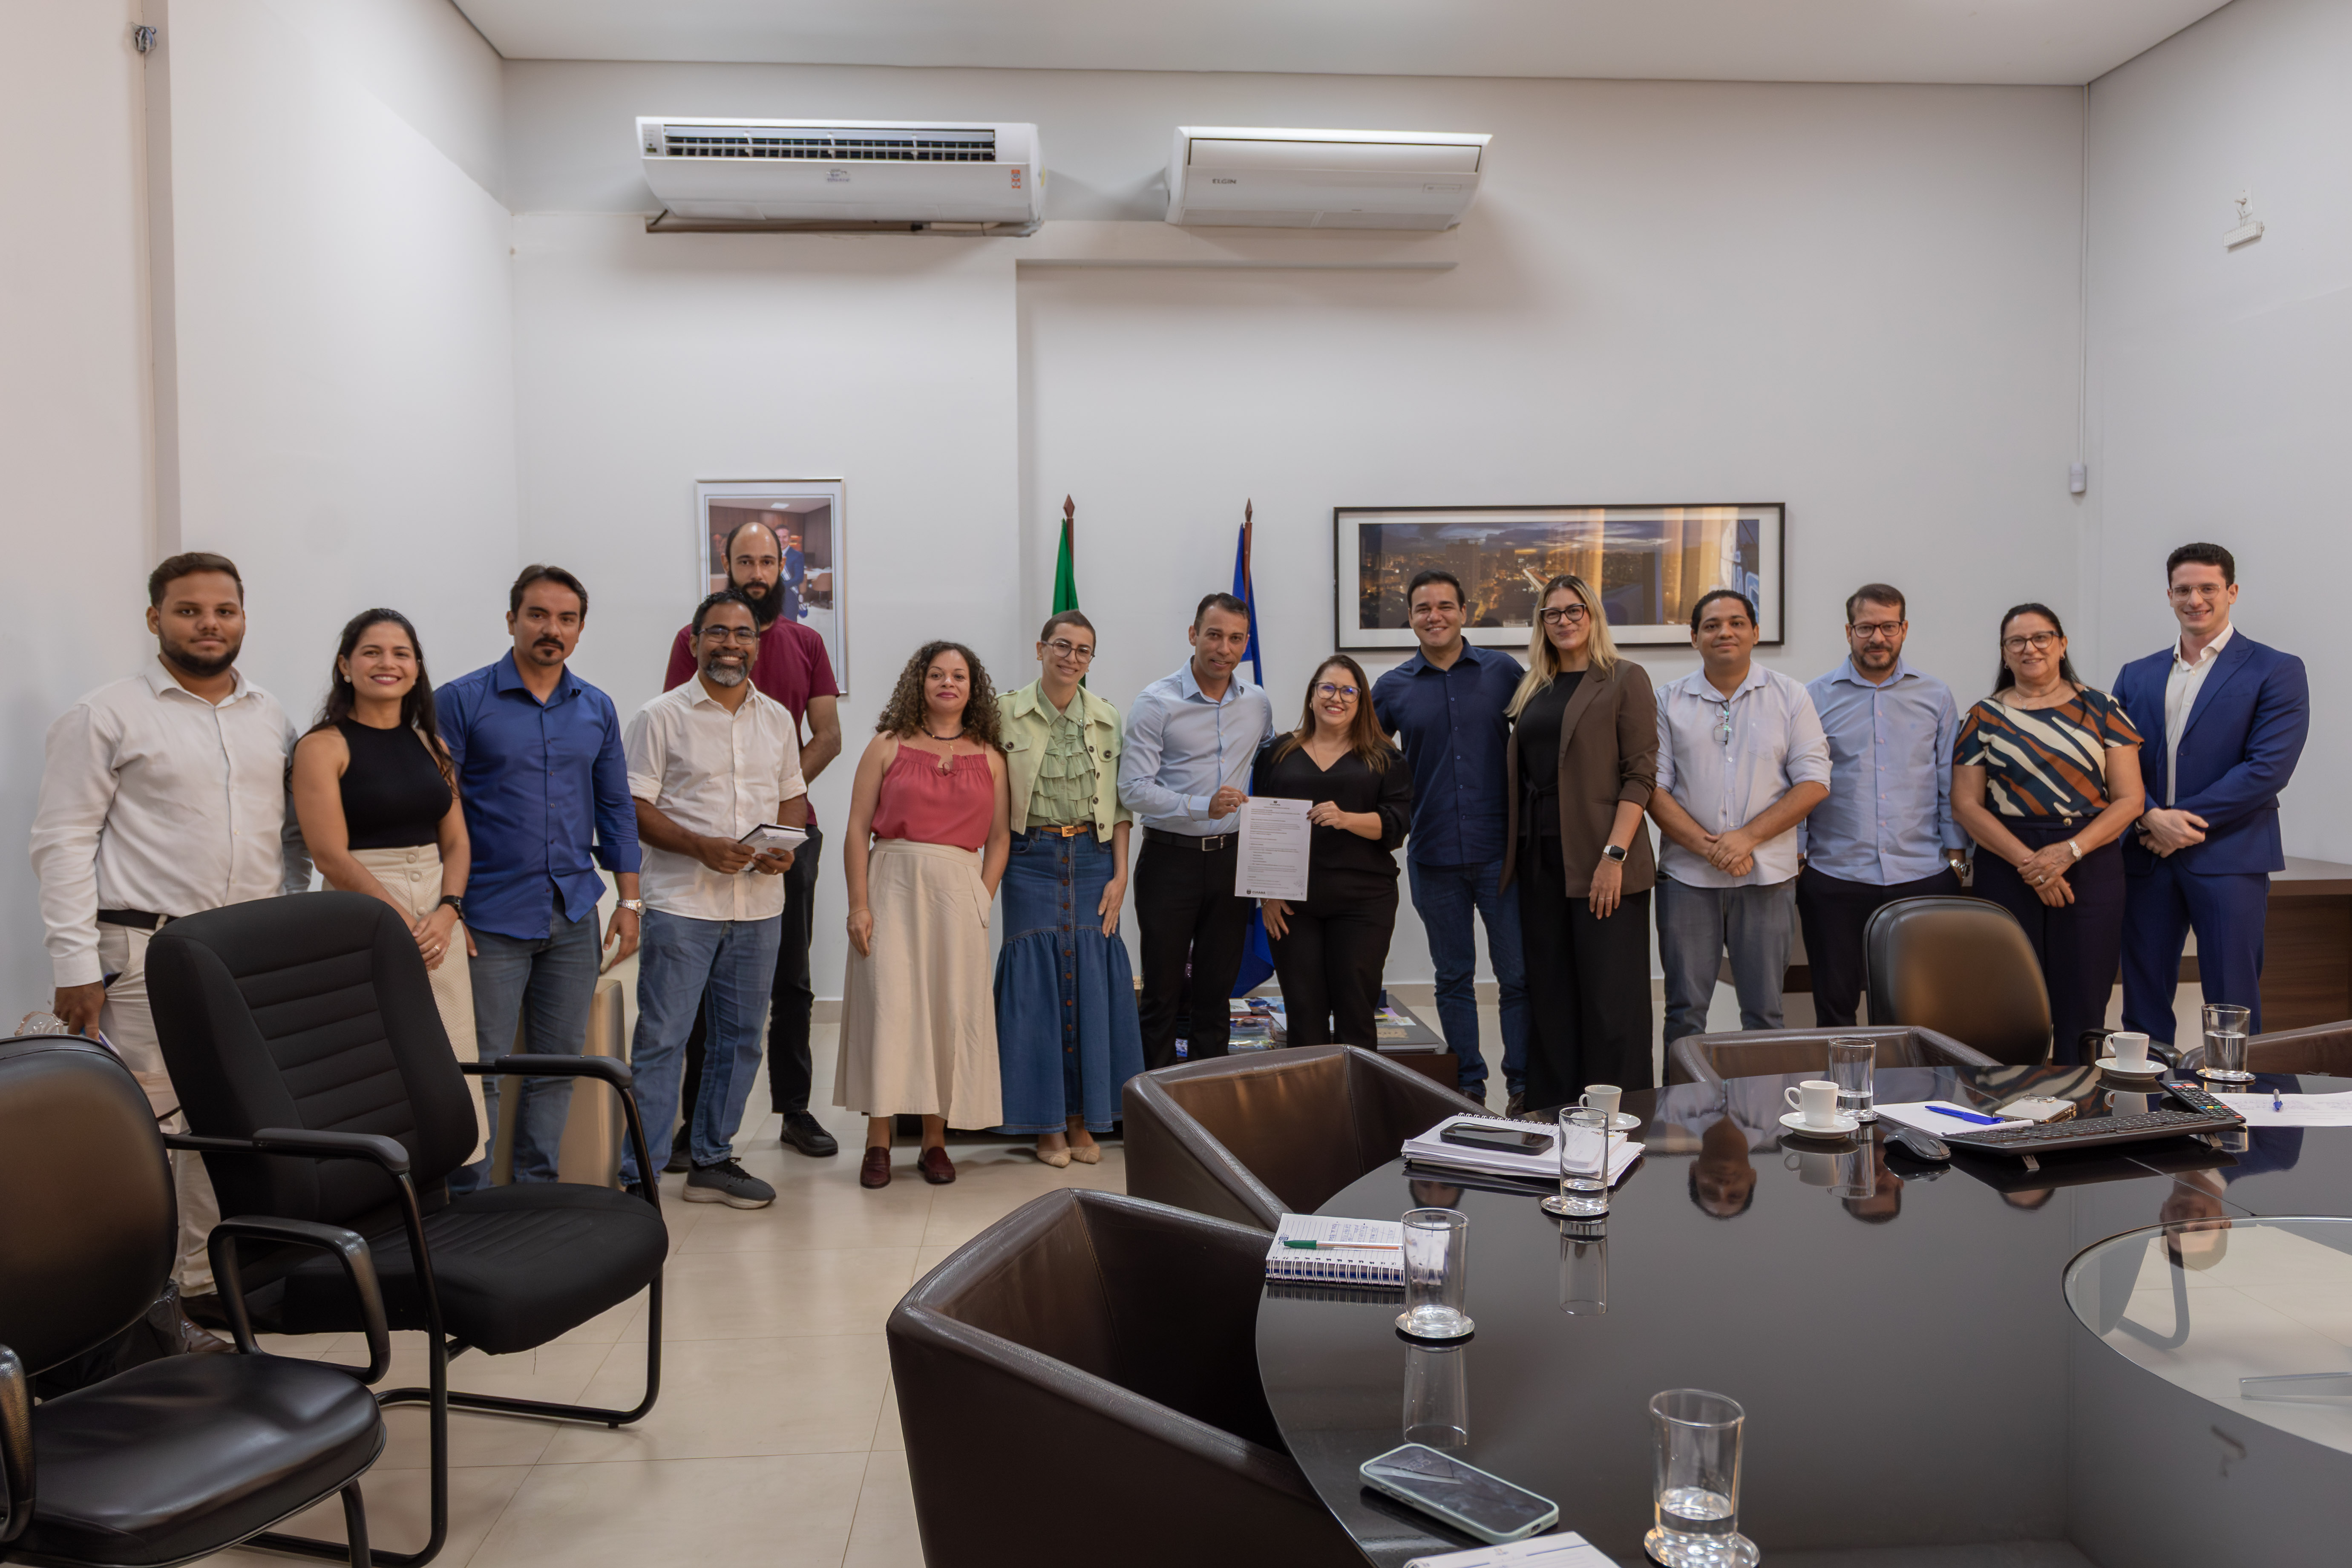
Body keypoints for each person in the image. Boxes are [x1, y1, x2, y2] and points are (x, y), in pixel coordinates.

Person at [31, 552, 311, 1303]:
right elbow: (62, 842)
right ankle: (171, 1301)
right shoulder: (106, 713)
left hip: (245, 952)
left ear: (244, 618)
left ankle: (219, 1280)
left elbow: (289, 836)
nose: (208, 624)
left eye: (224, 610)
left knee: (238, 1115)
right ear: (155, 618)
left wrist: (289, 919)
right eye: (189, 611)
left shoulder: (270, 714)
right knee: (163, 1124)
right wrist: (75, 965)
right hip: (147, 950)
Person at [438, 565, 642, 1190]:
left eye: (566, 619)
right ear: (512, 621)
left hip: (573, 911)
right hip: (488, 915)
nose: (551, 629)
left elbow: (616, 807)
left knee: (558, 1067)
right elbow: (440, 812)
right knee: (481, 1069)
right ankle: (469, 1203)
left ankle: (537, 1193)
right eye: (538, 615)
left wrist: (630, 900)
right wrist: (449, 906)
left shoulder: (596, 707)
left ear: (579, 629)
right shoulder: (459, 701)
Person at [662, 518, 844, 1161]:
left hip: (789, 832)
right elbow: (680, 729)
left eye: (768, 561)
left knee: (791, 978)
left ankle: (794, 1109)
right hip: (709, 838)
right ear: (729, 563)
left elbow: (828, 735)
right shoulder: (693, 642)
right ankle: (694, 1124)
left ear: (783, 566)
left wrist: (774, 806)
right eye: (747, 561)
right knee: (704, 982)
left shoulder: (806, 642)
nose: (758, 573)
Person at [624, 590, 808, 1209]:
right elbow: (634, 807)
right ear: (694, 641)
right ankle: (640, 1175)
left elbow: (791, 795)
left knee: (742, 1040)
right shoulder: (659, 717)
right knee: (663, 1041)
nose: (731, 644)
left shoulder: (777, 718)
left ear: (758, 644)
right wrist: (699, 847)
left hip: (758, 906)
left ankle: (711, 1159)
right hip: (683, 903)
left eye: (743, 633)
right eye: (718, 632)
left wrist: (783, 845)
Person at [288, 609, 485, 1162]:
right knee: (374, 1058)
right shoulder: (322, 746)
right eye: (372, 652)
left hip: (438, 913)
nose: (387, 663)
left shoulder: (432, 745)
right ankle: (382, 1181)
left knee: (450, 1052)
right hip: (361, 909)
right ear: (345, 666)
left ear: (417, 668)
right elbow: (329, 855)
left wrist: (449, 911)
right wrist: (399, 919)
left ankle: (455, 1180)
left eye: (401, 653)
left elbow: (457, 842)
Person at [2111, 543, 2309, 1044]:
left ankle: (2236, 1092)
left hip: (2230, 855)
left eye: (2207, 588)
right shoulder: (2136, 674)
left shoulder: (2275, 669)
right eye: (2183, 590)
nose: (2194, 599)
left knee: (2232, 1001)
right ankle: (2148, 1093)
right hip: (2145, 856)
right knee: (2143, 999)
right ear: (2169, 595)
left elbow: (2267, 769)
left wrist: (2174, 822)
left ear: (2231, 592)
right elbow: (2114, 760)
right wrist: (2149, 817)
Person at [837, 640, 1010, 1188]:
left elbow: (1000, 838)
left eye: (958, 676)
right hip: (892, 885)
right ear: (920, 682)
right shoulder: (887, 745)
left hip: (958, 893)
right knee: (888, 1010)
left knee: (948, 1014)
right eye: (937, 674)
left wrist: (982, 897)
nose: (947, 683)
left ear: (972, 688)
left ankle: (935, 1141)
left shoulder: (991, 757)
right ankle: (879, 1140)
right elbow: (856, 829)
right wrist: (858, 905)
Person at [1951, 604, 2147, 1065]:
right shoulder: (1983, 716)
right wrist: (2032, 865)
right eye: (2016, 641)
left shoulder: (2103, 709)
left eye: (2041, 638)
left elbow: (2130, 800)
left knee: (2084, 1000)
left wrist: (2068, 852)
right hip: (2006, 863)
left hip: (2090, 862)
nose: (2030, 649)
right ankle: (2011, 1101)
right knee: (2008, 999)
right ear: (2004, 653)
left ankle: (2080, 1100)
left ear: (2061, 645)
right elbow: (1965, 805)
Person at [1371, 569, 1530, 1109]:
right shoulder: (1392, 687)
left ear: (1464, 612)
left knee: (1517, 976)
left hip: (1502, 854)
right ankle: (1468, 1086)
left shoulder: (1502, 672)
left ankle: (1523, 1086)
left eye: (1444, 606)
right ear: (1410, 618)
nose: (1434, 616)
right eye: (1423, 608)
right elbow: (1361, 758)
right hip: (1433, 853)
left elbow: (1542, 738)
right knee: (1453, 977)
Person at [1498, 574, 1659, 1102]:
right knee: (1552, 999)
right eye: (1552, 613)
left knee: (1611, 1004)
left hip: (1601, 861)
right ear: (1541, 624)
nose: (1563, 621)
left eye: (1574, 611)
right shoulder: (1533, 687)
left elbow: (1640, 776)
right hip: (1540, 861)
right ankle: (1555, 1115)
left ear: (1592, 616)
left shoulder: (1624, 678)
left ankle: (1622, 1117)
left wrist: (1614, 857)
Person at [1650, 590, 1831, 1050]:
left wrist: (1746, 839)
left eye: (1736, 623)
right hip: (1687, 878)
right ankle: (1682, 1099)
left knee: (1765, 1013)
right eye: (1711, 625)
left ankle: (1763, 1101)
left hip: (1767, 877)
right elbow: (1653, 789)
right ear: (1694, 637)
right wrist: (1713, 849)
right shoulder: (1667, 700)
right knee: (1684, 1012)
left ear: (1755, 633)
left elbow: (1814, 783)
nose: (1724, 632)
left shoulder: (1791, 696)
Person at [993, 612, 1143, 1165]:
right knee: (1037, 987)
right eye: (1062, 646)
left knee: (1091, 981)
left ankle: (1084, 1119)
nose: (1071, 658)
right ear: (1041, 649)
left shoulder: (1106, 717)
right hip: (1027, 859)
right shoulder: (1003, 712)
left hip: (1093, 858)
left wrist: (1120, 876)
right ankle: (1047, 1124)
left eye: (1083, 650)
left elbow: (1121, 808)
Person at [1799, 585, 1967, 1027]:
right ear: (1848, 631)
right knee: (1834, 1004)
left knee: (1924, 1004)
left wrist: (1956, 858)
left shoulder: (1935, 695)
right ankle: (1843, 1077)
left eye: (1888, 627)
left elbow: (1947, 779)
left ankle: (1918, 1075)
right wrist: (1798, 853)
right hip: (1836, 874)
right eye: (1866, 627)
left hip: (1922, 873)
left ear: (1904, 629)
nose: (1878, 637)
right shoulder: (1813, 697)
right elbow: (1799, 780)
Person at [1120, 593, 1276, 1067]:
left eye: (1235, 638)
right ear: (1193, 635)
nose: (1223, 649)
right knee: (1161, 992)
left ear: (1246, 643)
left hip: (1231, 861)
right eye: (1214, 635)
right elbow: (1132, 789)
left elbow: (1272, 767)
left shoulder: (1257, 703)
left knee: (1216, 993)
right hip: (1170, 861)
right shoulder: (1156, 702)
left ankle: (1209, 1096)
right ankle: (1155, 1099)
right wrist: (1200, 806)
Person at [1251, 655, 1412, 1047]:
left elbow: (1396, 825)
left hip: (1363, 902)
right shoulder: (1277, 753)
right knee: (1303, 1011)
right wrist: (1266, 894)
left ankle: (1355, 1089)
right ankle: (1310, 1090)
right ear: (1312, 695)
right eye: (1327, 687)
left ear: (1361, 701)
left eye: (1347, 691)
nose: (1335, 698)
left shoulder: (1383, 756)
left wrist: (1346, 818)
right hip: (1292, 905)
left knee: (1355, 1010)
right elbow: (1262, 825)